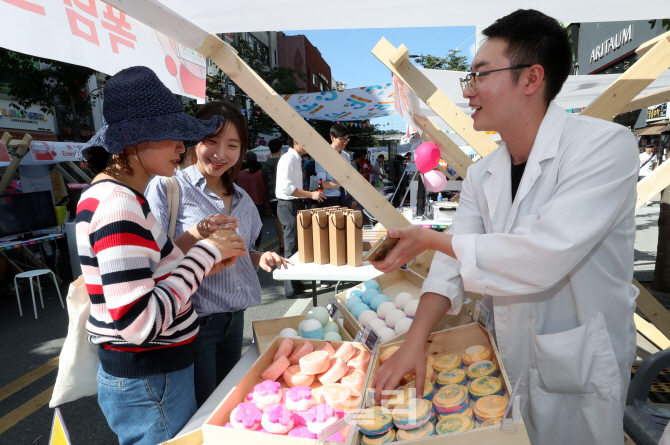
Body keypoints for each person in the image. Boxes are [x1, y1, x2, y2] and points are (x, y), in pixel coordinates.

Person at [370, 10, 638, 445]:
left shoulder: (603, 147)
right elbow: (450, 262)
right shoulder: (483, 174)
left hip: (578, 362)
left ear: (531, 79)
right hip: (505, 355)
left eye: (479, 75)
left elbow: (544, 254)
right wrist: (415, 340)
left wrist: (431, 237)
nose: (469, 91)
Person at [75, 66, 247, 445]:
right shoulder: (118, 204)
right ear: (134, 141)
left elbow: (151, 273)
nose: (180, 148)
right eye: (171, 137)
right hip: (151, 379)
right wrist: (205, 254)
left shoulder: (119, 196)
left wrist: (203, 254)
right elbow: (140, 322)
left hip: (153, 377)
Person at [145, 101, 291, 408]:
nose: (220, 153)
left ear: (241, 150)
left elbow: (243, 249)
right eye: (210, 141)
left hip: (234, 320)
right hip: (193, 322)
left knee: (230, 403)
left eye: (232, 145)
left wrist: (257, 258)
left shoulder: (242, 199)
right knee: (203, 410)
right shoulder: (168, 188)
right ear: (193, 140)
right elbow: (155, 258)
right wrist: (198, 232)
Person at [276, 135, 325, 297]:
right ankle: (290, 289)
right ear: (296, 141)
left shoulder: (296, 159)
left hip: (293, 204)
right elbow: (287, 188)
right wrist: (310, 195)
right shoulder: (288, 159)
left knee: (296, 245)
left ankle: (296, 283)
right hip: (287, 204)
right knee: (290, 246)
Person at [237, 151, 269, 249]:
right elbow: (263, 189)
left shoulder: (240, 174)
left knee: (245, 227)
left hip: (244, 205)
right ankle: (256, 248)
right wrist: (266, 203)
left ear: (246, 161)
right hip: (258, 204)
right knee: (257, 227)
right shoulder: (259, 174)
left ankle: (247, 248)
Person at [315, 123, 349, 207]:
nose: (345, 142)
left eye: (347, 139)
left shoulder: (346, 156)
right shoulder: (322, 156)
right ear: (332, 138)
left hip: (343, 198)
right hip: (328, 199)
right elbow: (321, 184)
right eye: (342, 139)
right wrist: (343, 183)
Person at [262, 138, 284, 254]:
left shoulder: (265, 165)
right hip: (285, 194)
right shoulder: (283, 161)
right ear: (280, 149)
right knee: (288, 218)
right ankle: (288, 241)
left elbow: (264, 182)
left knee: (277, 218)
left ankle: (281, 242)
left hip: (272, 195)